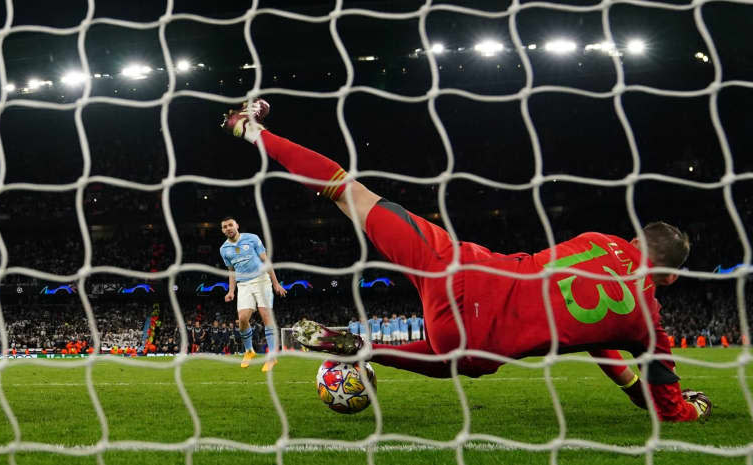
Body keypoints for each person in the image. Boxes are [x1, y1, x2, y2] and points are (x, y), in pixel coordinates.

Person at [222, 99, 711, 422]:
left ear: (633, 239)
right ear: (669, 274)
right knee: (454, 359)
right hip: (471, 338)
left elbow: (597, 332)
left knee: (348, 192)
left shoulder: (597, 239)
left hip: (458, 265)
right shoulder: (645, 322)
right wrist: (691, 408)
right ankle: (369, 350)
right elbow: (659, 396)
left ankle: (252, 132)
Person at [220, 216, 287, 371]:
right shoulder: (224, 249)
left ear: (236, 225)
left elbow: (266, 261)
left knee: (265, 315)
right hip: (243, 285)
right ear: (222, 230)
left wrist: (276, 283)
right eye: (224, 227)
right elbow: (231, 272)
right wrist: (231, 291)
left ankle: (272, 357)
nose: (228, 228)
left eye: (230, 225)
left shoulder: (252, 238)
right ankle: (249, 351)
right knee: (242, 319)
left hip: (261, 280)